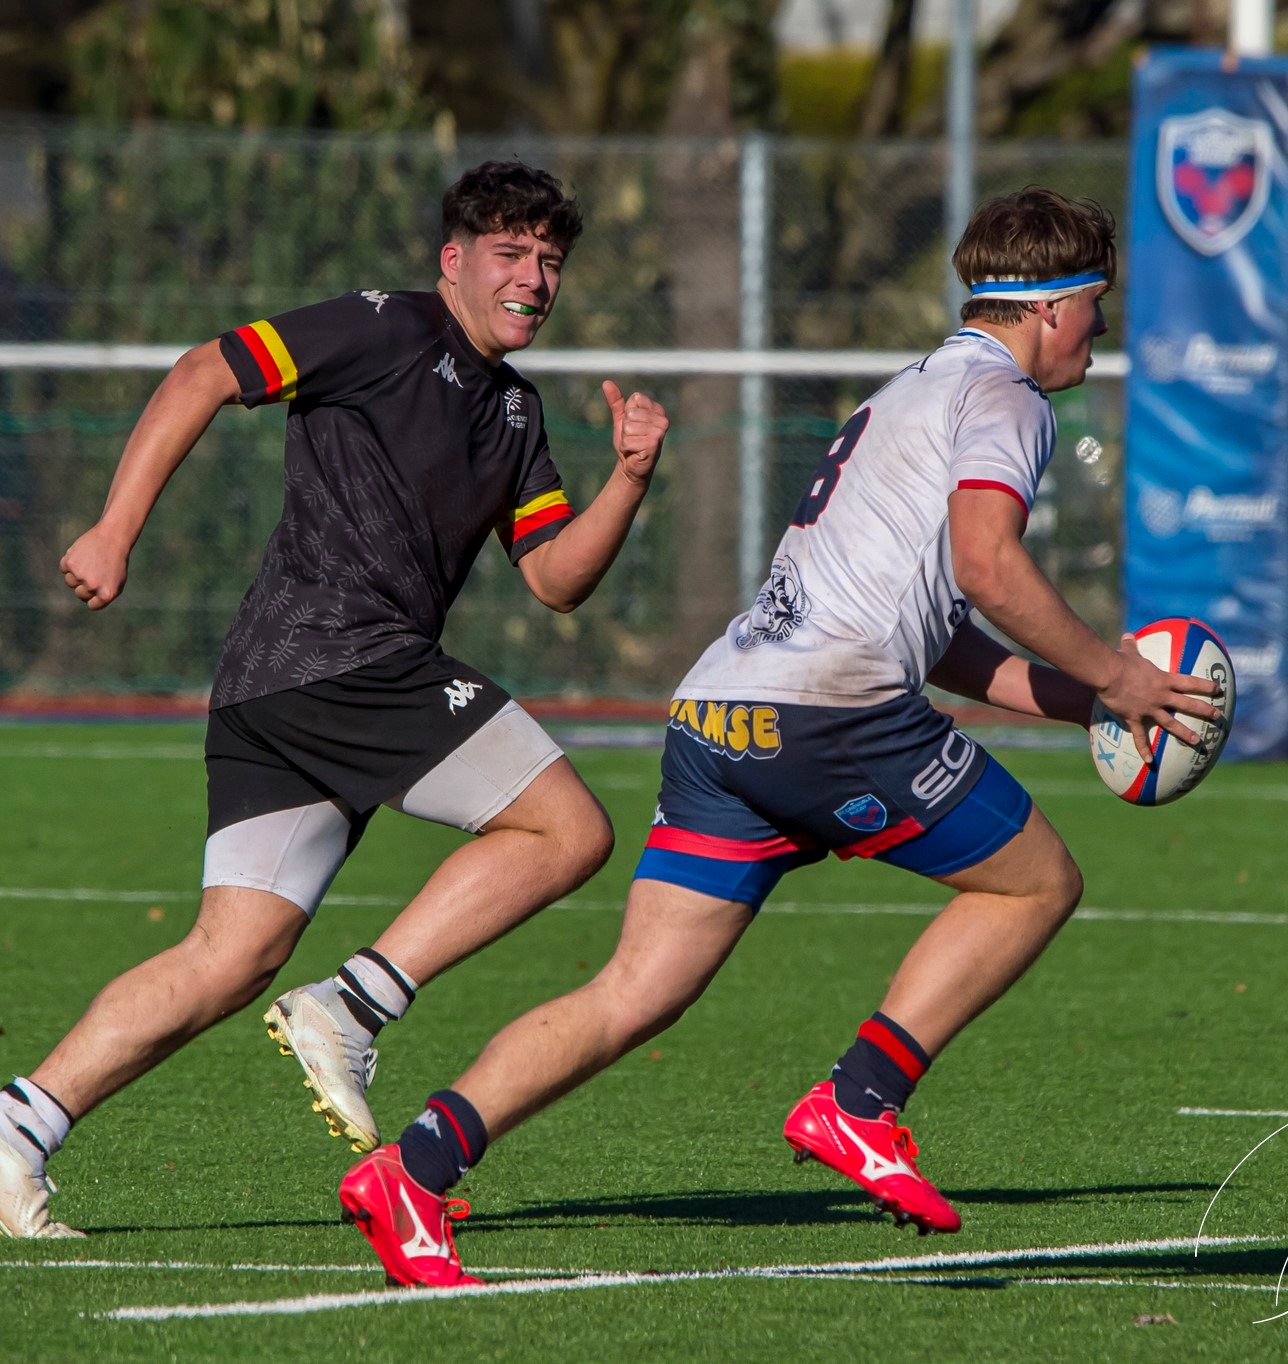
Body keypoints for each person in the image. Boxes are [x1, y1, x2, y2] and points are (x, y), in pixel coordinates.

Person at [333, 188, 1225, 1286]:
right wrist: (1118, 668)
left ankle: (411, 1170)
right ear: (1046, 309)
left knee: (634, 989)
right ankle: (860, 1099)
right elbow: (990, 567)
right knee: (1033, 882)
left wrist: (1090, 699)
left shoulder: (910, 391)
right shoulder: (1006, 399)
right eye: (1096, 303)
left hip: (719, 711)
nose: (1101, 328)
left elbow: (938, 638)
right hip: (827, 713)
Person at [0, 161, 671, 1239]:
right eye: (510, 255)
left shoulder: (515, 412)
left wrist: (630, 480)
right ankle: (357, 1000)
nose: (533, 280)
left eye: (550, 261)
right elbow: (202, 371)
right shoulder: (378, 329)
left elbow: (556, 578)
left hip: (278, 685)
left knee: (230, 954)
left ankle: (16, 1123)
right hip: (337, 659)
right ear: (452, 260)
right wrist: (113, 529)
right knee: (568, 826)